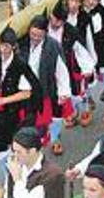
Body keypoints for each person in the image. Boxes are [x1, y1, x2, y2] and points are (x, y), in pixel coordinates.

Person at [0, 27, 37, 186]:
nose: (4, 49)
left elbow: (27, 93)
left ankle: (20, 175)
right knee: (0, 147)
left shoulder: (20, 64)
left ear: (14, 46)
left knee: (16, 144)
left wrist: (3, 101)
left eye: (7, 46)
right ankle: (9, 174)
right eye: (2, 45)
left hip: (13, 113)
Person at [19, 14, 72, 155]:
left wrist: (63, 92)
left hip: (43, 92)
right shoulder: (22, 44)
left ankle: (39, 148)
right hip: (24, 93)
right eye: (33, 34)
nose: (35, 38)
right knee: (25, 123)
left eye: (39, 35)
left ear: (45, 33)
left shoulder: (53, 46)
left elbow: (61, 71)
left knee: (41, 124)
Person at [48, 2, 96, 129]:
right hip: (49, 68)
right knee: (55, 97)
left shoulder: (71, 31)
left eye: (58, 22)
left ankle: (83, 110)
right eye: (53, 19)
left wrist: (87, 67)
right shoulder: (44, 27)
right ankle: (56, 133)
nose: (54, 23)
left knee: (77, 92)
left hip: (68, 66)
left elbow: (81, 50)